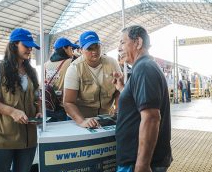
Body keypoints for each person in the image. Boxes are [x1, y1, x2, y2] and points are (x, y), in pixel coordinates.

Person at [113, 25, 172, 172]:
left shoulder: (144, 68)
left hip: (139, 163)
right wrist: (122, 88)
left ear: (138, 42)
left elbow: (151, 118)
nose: (118, 48)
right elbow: (138, 103)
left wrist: (142, 165)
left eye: (122, 42)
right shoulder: (143, 67)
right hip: (134, 160)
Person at [0, 28, 42, 172]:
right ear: (14, 44)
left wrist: (39, 111)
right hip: (1, 136)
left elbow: (36, 98)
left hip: (28, 137)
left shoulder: (31, 71)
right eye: (26, 45)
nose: (30, 49)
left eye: (31, 46)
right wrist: (12, 112)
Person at [63, 31, 121, 128]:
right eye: (89, 48)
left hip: (105, 118)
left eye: (97, 47)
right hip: (80, 118)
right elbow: (68, 102)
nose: (94, 51)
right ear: (81, 50)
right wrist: (82, 121)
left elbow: (118, 91)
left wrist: (118, 110)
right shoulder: (74, 68)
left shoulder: (112, 63)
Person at [44, 37, 79, 121]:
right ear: (64, 48)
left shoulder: (45, 64)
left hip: (49, 106)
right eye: (71, 48)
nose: (72, 51)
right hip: (64, 107)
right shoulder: (71, 62)